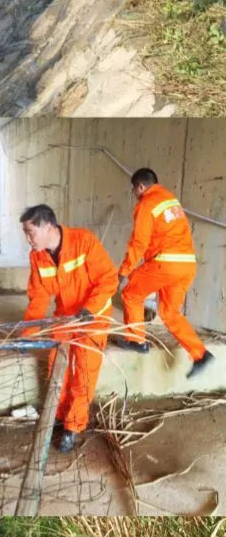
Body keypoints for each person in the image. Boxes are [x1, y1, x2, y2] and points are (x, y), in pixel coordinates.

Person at [21, 203, 118, 454]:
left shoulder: (83, 241)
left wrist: (90, 309)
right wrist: (28, 335)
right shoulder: (37, 256)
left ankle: (74, 426)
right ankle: (59, 415)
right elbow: (39, 297)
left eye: (30, 232)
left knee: (84, 371)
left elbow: (108, 279)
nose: (28, 239)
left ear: (48, 226)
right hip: (65, 316)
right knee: (57, 365)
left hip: (93, 316)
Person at [112, 168, 213, 377]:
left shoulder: (146, 204)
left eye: (134, 190)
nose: (135, 194)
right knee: (170, 313)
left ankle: (136, 340)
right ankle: (200, 354)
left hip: (166, 263)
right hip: (187, 264)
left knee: (131, 293)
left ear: (140, 187)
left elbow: (139, 243)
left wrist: (123, 272)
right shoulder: (171, 200)